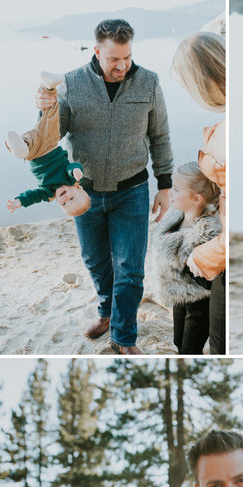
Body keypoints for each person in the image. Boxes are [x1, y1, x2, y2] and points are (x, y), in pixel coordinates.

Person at [49, 19, 173, 354]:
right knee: (95, 260)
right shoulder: (72, 84)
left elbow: (159, 135)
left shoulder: (148, 82)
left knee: (130, 269)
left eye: (127, 57)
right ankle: (106, 311)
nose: (121, 65)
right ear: (96, 51)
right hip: (84, 193)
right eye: (113, 59)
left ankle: (123, 336)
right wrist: (45, 108)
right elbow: (51, 136)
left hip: (132, 191)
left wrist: (165, 183)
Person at [171, 32, 227, 356]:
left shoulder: (227, 137)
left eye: (188, 88)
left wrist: (203, 256)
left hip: (223, 258)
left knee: (219, 343)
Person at [149, 164, 221, 354]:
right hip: (176, 293)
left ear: (196, 198)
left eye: (176, 190)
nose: (170, 193)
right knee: (178, 341)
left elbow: (205, 273)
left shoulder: (207, 233)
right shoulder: (177, 214)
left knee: (190, 348)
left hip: (199, 300)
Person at [5, 72, 89, 215]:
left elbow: (33, 196)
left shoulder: (48, 193)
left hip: (34, 153)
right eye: (72, 198)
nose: (66, 198)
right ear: (78, 188)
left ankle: (17, 146)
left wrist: (19, 201)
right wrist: (76, 171)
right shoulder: (70, 179)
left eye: (64, 203)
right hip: (51, 144)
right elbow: (73, 166)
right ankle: (48, 87)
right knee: (51, 117)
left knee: (25, 146)